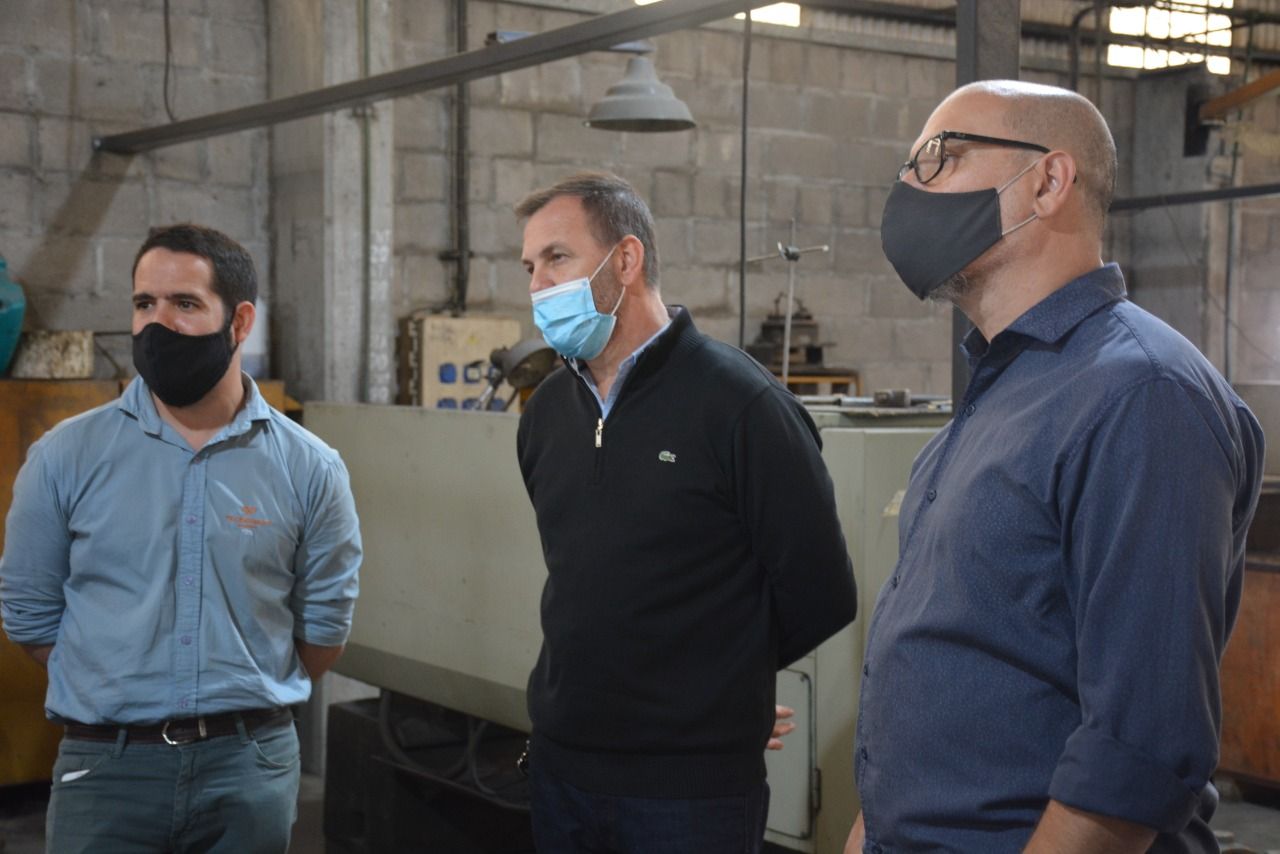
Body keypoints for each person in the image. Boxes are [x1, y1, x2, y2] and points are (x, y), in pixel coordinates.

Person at [847, 81, 1265, 853]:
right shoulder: (996, 400)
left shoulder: (1141, 395)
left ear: (1048, 181)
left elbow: (1137, 753)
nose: (910, 190)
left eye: (940, 158)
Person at [514, 171, 857, 854]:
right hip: (562, 772)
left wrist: (721, 685)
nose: (538, 285)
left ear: (626, 260)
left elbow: (822, 593)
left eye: (557, 258)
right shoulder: (547, 413)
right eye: (529, 267)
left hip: (689, 796)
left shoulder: (741, 405)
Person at [0, 224, 363, 853]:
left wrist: (238, 697)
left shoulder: (310, 467)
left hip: (248, 768)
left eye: (185, 303)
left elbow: (324, 627)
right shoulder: (65, 456)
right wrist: (118, 683)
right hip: (106, 770)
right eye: (145, 303)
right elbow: (30, 613)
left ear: (239, 322)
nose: (157, 324)